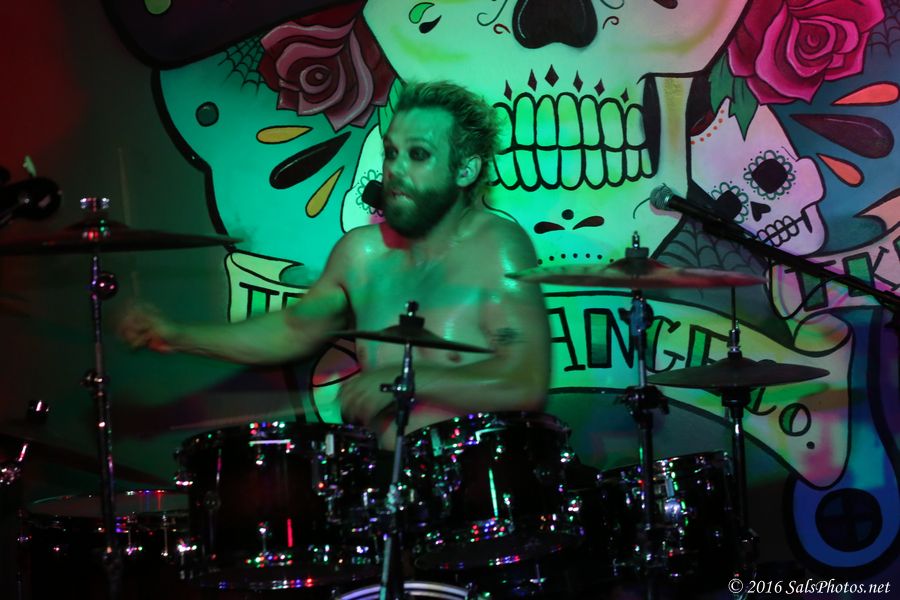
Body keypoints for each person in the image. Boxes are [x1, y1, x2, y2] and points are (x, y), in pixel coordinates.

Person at [120, 81, 550, 448]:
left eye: (418, 155)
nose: (395, 169)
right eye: (391, 152)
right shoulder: (361, 254)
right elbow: (293, 329)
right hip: (388, 489)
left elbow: (525, 382)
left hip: (474, 495)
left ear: (465, 170)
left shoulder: (497, 244)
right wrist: (177, 335)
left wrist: (406, 381)